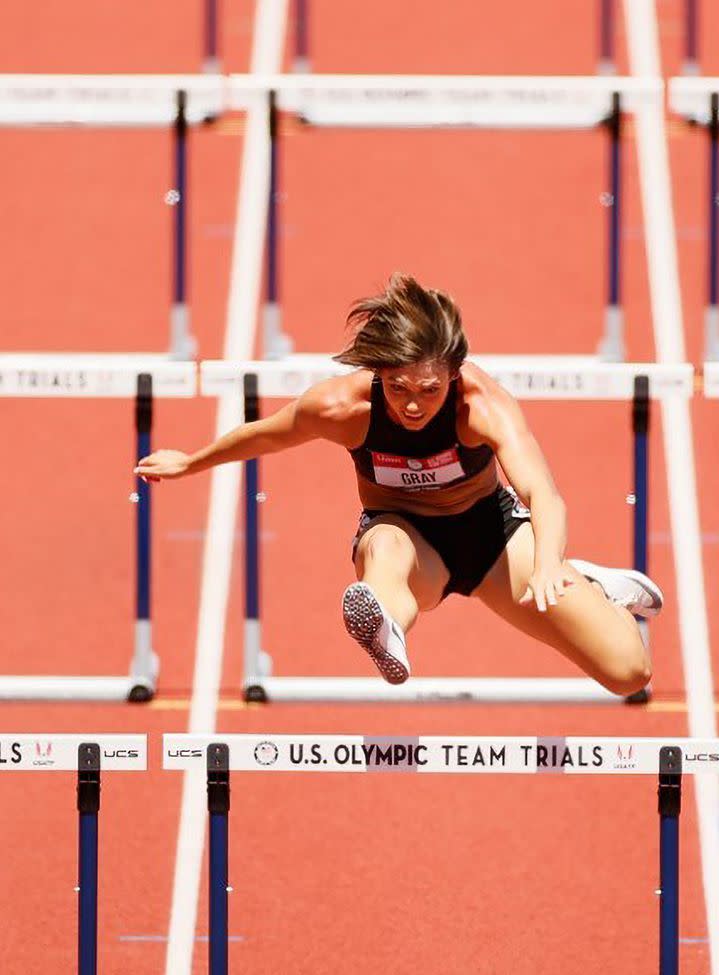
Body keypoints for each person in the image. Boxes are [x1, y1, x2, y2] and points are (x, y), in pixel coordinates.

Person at [136, 274, 662, 694]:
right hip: (403, 533)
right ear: (378, 373)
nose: (412, 404)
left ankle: (589, 584)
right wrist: (191, 463)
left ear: (453, 375)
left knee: (628, 673)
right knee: (383, 555)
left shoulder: (481, 406)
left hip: (493, 537)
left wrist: (548, 563)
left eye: (429, 390)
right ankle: (386, 624)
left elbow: (542, 493)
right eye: (398, 387)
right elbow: (266, 436)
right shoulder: (343, 407)